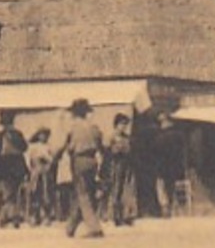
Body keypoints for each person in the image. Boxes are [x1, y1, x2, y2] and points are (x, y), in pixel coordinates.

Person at [55, 98, 105, 239]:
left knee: (83, 194)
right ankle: (71, 227)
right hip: (93, 160)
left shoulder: (72, 128)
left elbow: (65, 145)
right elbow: (101, 145)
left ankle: (95, 228)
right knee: (85, 193)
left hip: (79, 161)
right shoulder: (93, 127)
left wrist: (56, 158)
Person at [0, 112, 29, 229]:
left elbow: (24, 148)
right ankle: (12, 216)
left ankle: (6, 216)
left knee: (11, 192)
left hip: (11, 168)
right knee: (10, 192)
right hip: (8, 168)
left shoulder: (11, 135)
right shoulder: (1, 136)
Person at [101, 113, 135, 226]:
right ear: (116, 124)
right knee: (115, 190)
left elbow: (130, 150)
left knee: (126, 190)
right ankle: (115, 216)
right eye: (122, 124)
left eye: (125, 124)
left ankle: (127, 215)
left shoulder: (127, 137)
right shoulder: (111, 136)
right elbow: (106, 152)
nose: (124, 127)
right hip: (115, 164)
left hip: (126, 164)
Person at [24, 127, 56, 225]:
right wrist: (31, 169)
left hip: (46, 171)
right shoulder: (33, 147)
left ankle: (46, 215)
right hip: (35, 171)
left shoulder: (49, 147)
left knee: (46, 192)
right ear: (38, 135)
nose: (44, 137)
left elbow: (53, 160)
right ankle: (34, 215)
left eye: (46, 135)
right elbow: (28, 160)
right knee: (35, 192)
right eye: (42, 135)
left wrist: (47, 159)